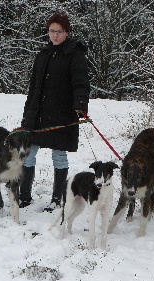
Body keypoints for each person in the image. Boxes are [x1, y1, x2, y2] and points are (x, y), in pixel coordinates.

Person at [19, 12, 90, 212]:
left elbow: (81, 83)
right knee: (28, 154)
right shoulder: (43, 55)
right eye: (52, 31)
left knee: (59, 155)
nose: (55, 35)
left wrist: (81, 104)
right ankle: (24, 197)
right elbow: (33, 88)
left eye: (59, 31)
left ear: (67, 32)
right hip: (38, 115)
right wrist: (27, 114)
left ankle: (57, 199)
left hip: (62, 114)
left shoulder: (75, 54)